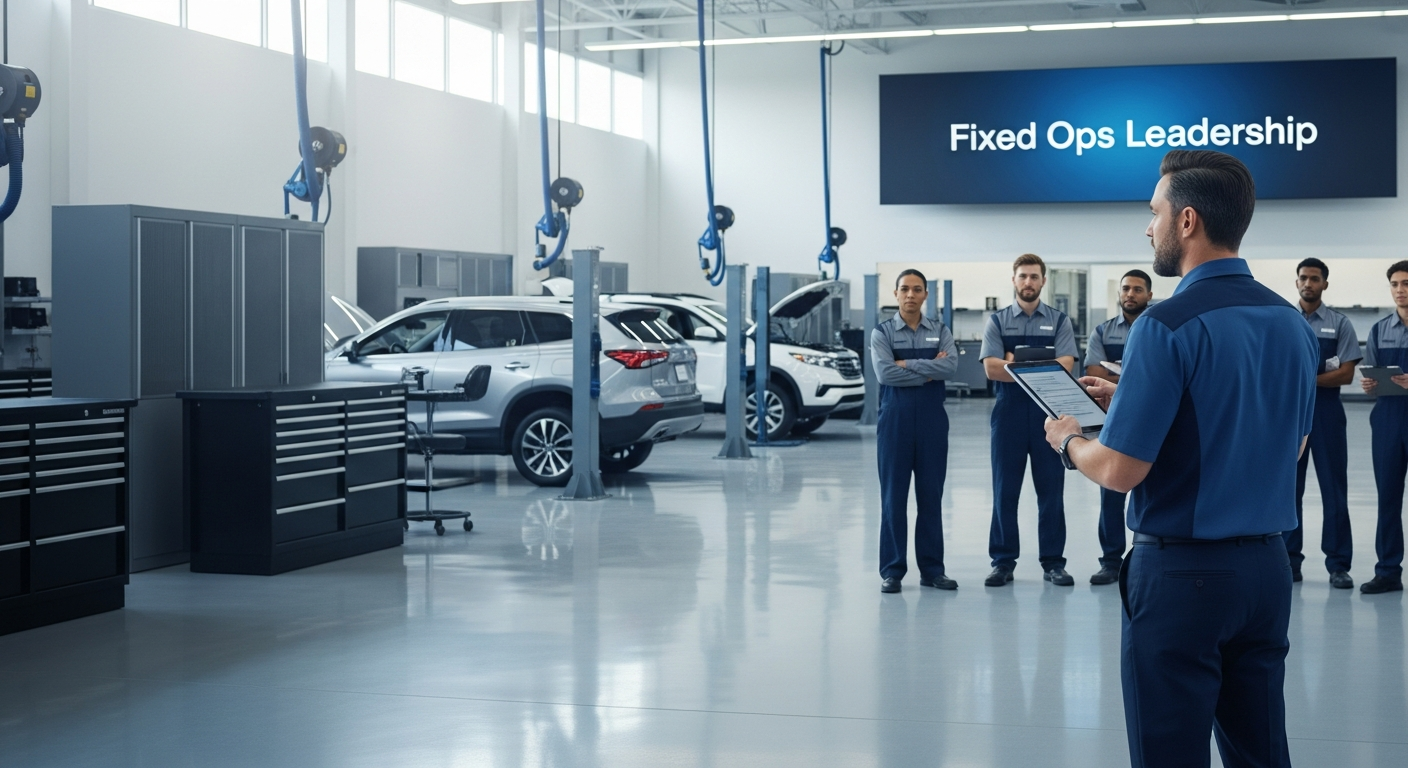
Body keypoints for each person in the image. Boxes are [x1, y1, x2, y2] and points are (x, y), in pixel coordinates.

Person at [1045, 150, 1318, 768]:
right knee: (1260, 750)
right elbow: (1289, 441)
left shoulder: (1164, 324)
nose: (1149, 228)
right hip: (1267, 573)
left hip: (1183, 580)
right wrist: (1135, 399)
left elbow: (1120, 470)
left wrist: (1068, 439)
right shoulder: (1291, 324)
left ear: (1187, 220)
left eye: (1154, 213)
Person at [980, 253, 1079, 587]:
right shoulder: (997, 321)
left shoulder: (1059, 321)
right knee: (1004, 491)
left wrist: (1013, 362)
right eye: (1022, 276)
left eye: (1034, 277)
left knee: (1051, 491)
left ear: (1043, 281)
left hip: (1048, 415)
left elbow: (1066, 366)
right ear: (1014, 280)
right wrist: (1043, 364)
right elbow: (990, 368)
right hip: (1007, 414)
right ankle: (1002, 562)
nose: (1028, 282)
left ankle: (1053, 563)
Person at [870, 269, 959, 593]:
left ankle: (932, 570)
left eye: (917, 289)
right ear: (895, 294)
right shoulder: (882, 333)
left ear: (925, 295)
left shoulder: (940, 330)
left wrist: (907, 365)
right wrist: (928, 369)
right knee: (893, 497)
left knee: (931, 497)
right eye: (904, 289)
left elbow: (951, 367)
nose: (910, 294)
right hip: (895, 421)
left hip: (933, 421)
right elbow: (884, 374)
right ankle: (892, 571)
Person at [1289, 258, 1361, 589]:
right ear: (1297, 282)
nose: (1308, 283)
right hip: (1290, 414)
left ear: (1324, 284)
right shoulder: (1284, 320)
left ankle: (1338, 565)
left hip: (1328, 413)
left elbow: (1345, 374)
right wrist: (1317, 377)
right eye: (1303, 278)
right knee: (1290, 489)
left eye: (1315, 278)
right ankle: (1290, 561)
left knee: (1335, 489)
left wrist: (1304, 380)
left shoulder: (1340, 324)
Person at [1082, 269, 1153, 585]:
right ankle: (1111, 561)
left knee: (1152, 490)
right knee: (1110, 489)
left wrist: (1118, 375)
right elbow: (1094, 372)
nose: (1130, 294)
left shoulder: (1159, 327)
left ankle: (1146, 558)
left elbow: (1163, 376)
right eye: (1126, 288)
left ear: (1149, 295)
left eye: (1138, 289)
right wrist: (1136, 377)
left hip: (1154, 417)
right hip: (1112, 418)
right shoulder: (1103, 331)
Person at [1360, 260, 1408, 595]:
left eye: (1406, 283)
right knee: (1388, 497)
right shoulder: (1379, 329)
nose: (1400, 290)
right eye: (1395, 284)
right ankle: (1388, 570)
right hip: (1389, 419)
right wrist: (1369, 385)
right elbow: (1373, 372)